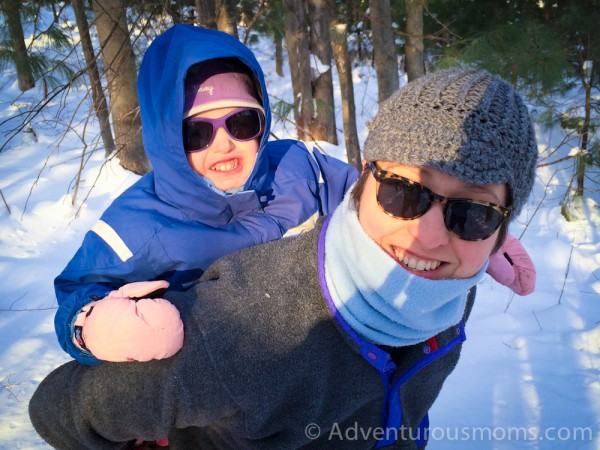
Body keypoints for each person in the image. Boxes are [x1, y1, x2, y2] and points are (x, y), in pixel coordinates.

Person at [30, 68, 538, 449]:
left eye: (474, 213)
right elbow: (62, 408)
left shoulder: (449, 300)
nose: (428, 237)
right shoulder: (231, 326)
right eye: (404, 193)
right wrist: (92, 324)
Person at [53, 23, 358, 366]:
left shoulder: (297, 169)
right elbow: (76, 289)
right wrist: (96, 326)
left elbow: (363, 200)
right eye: (196, 133)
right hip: (218, 376)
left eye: (241, 122)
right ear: (166, 141)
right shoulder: (139, 225)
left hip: (323, 356)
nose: (225, 144)